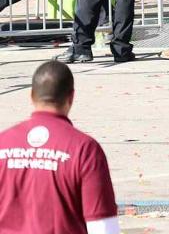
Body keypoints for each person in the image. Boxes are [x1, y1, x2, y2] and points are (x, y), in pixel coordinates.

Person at [0, 61, 119, 234]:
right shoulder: (84, 149)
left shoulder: (3, 142)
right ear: (71, 97)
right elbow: (103, 227)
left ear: (32, 95)